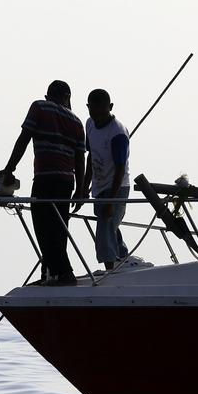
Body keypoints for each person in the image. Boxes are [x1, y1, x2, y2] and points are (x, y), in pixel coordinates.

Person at [0, 80, 86, 285]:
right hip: (67, 181)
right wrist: (81, 189)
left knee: (43, 227)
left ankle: (64, 273)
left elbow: (24, 138)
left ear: (49, 96)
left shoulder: (40, 107)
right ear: (68, 98)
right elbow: (80, 159)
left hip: (46, 178)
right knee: (59, 228)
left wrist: (9, 169)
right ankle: (49, 274)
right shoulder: (77, 121)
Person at [75, 88, 130, 270]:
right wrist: (84, 187)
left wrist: (111, 201)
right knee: (109, 225)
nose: (97, 116)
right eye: (93, 111)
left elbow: (120, 169)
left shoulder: (117, 133)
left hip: (117, 186)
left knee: (105, 226)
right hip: (99, 185)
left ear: (110, 107)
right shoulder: (89, 124)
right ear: (88, 108)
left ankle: (110, 269)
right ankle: (123, 258)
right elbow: (91, 156)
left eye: (101, 112)